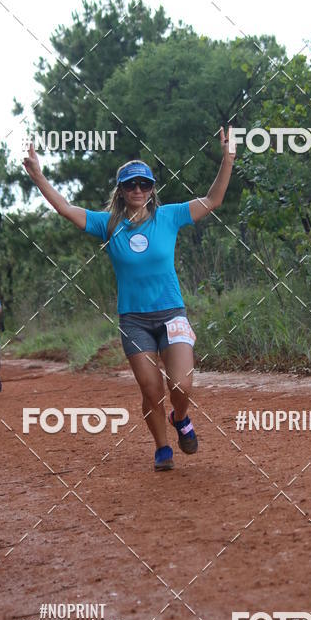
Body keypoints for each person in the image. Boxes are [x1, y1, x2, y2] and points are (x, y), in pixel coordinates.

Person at [23, 128, 236, 470]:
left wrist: (228, 159)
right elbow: (64, 207)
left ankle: (180, 418)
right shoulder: (108, 225)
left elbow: (213, 200)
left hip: (172, 314)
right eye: (130, 185)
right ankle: (162, 448)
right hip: (134, 321)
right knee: (151, 388)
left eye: (144, 184)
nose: (138, 190)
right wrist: (38, 174)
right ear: (121, 191)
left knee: (181, 383)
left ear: (152, 189)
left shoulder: (170, 216)